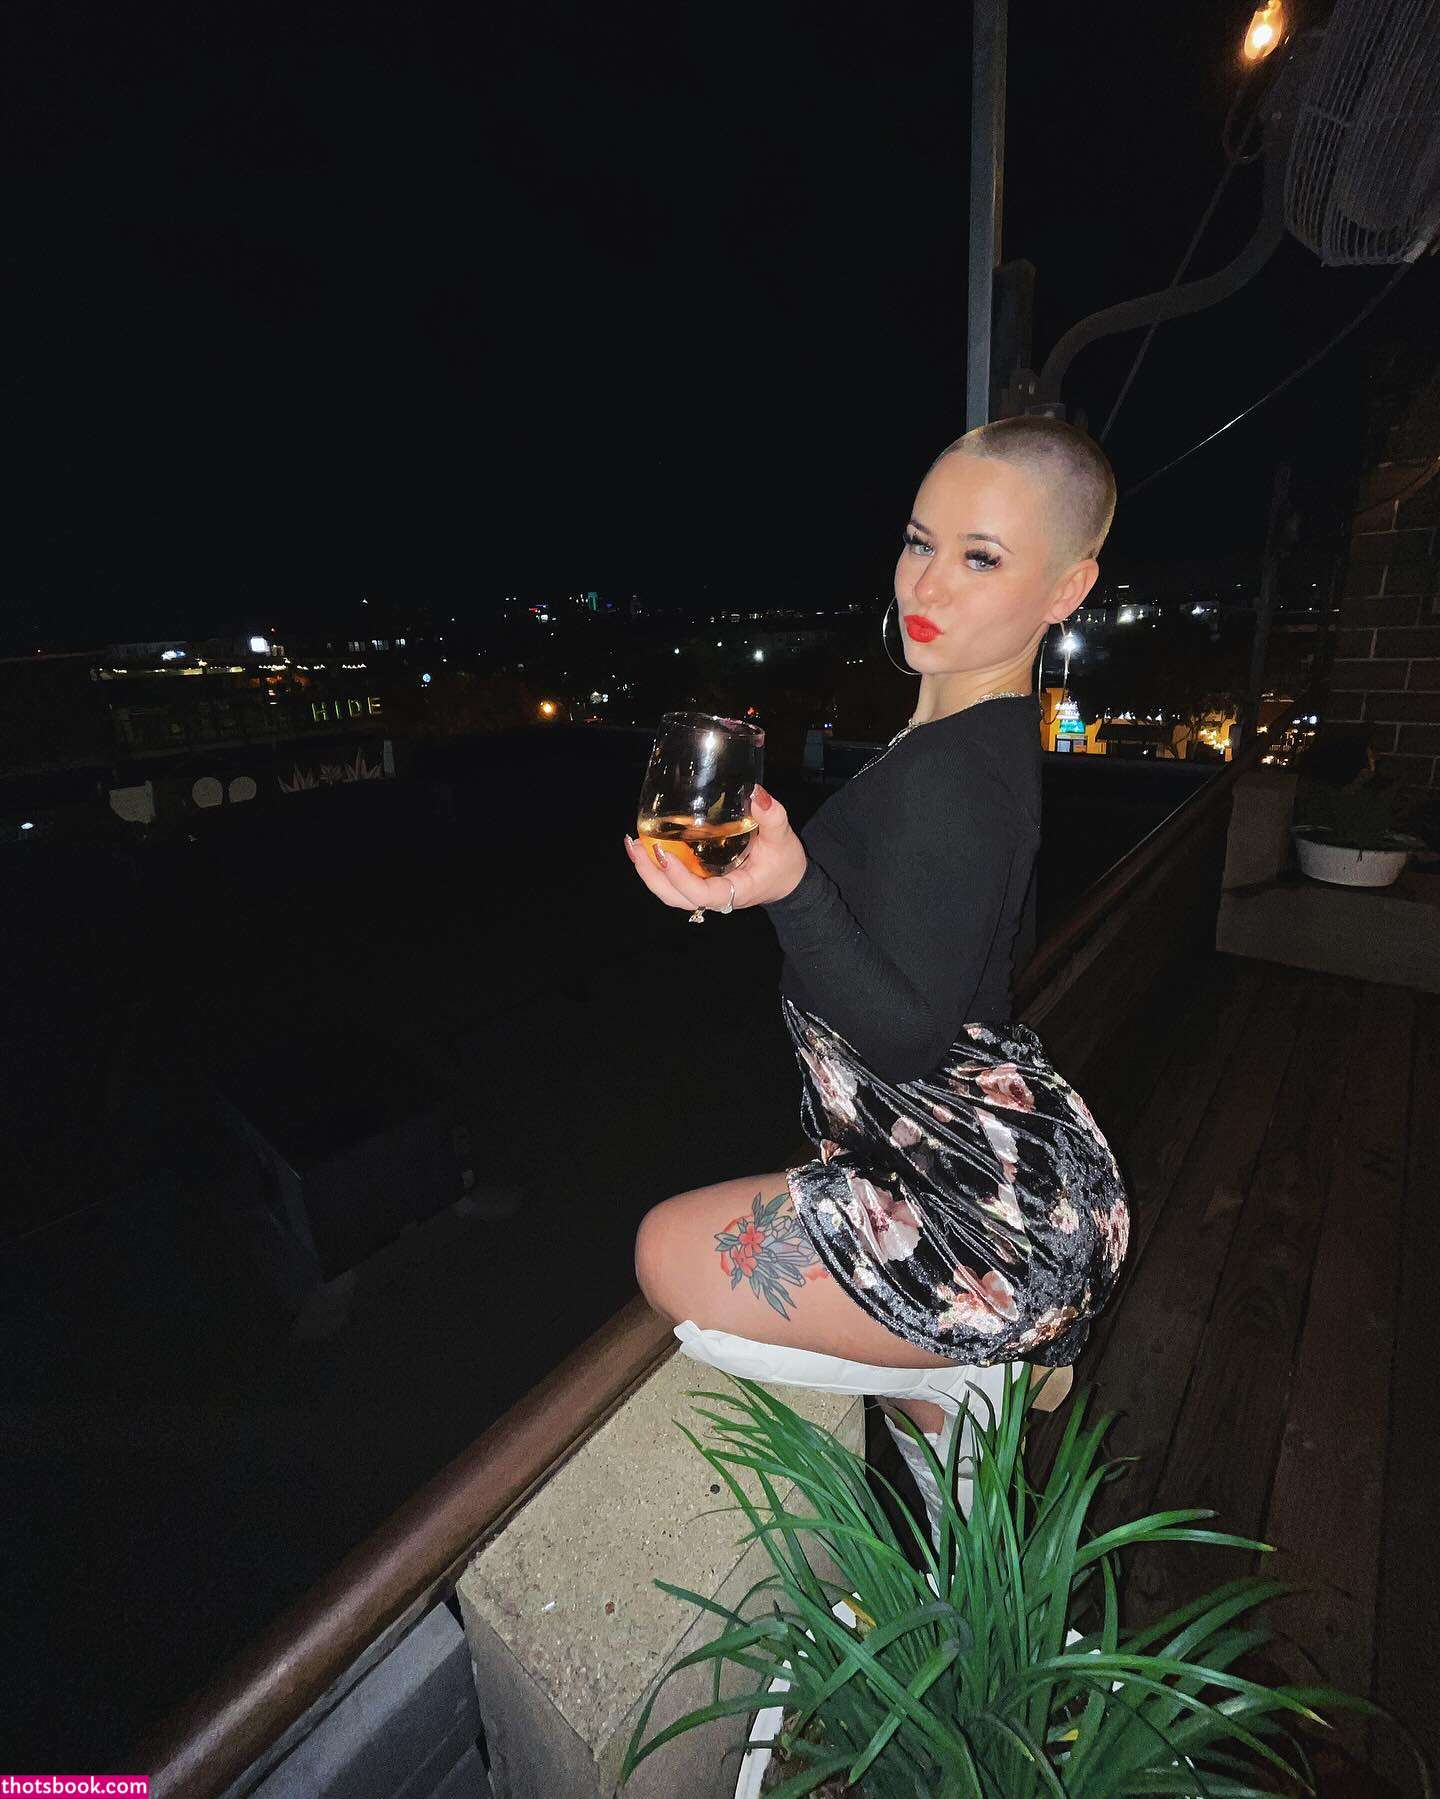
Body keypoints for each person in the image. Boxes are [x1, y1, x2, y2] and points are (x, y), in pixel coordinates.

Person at [624, 416, 1131, 1543]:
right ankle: (963, 1423)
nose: (926, 583)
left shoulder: (956, 774)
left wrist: (793, 885)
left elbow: (905, 1037)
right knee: (962, 1527)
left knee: (664, 1252)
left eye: (981, 556)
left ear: (1068, 587)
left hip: (978, 1208)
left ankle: (972, 1361)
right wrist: (759, 890)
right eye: (918, 540)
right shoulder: (978, 736)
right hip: (991, 1164)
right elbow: (967, 950)